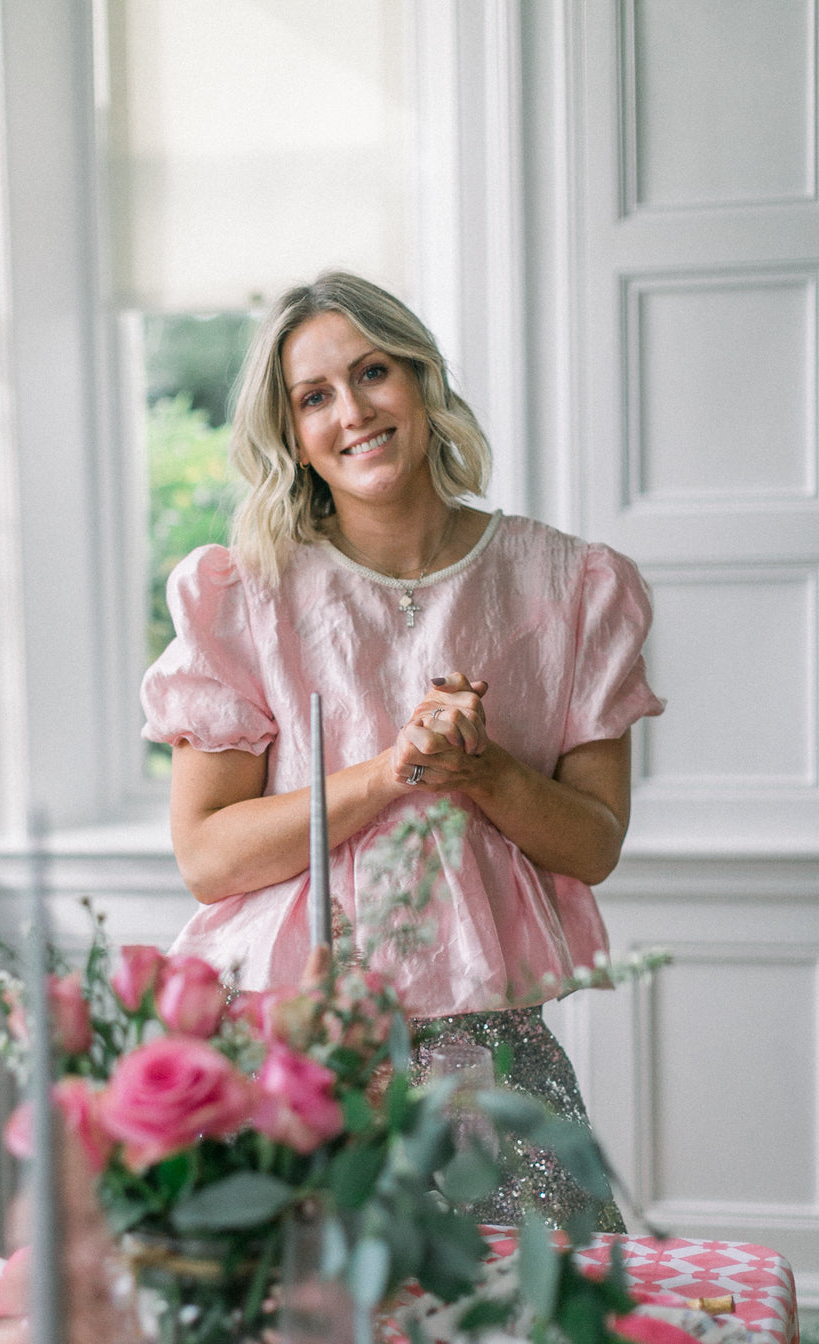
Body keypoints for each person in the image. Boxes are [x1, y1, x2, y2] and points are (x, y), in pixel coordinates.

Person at [140, 271, 664, 1229]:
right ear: (292, 434)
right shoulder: (245, 596)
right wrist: (393, 772)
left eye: (373, 371)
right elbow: (205, 856)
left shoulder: (573, 585)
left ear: (423, 379)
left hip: (484, 1050)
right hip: (294, 1043)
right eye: (314, 397)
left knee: (536, 1339)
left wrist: (483, 769)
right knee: (301, 1342)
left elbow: (594, 844)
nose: (353, 411)